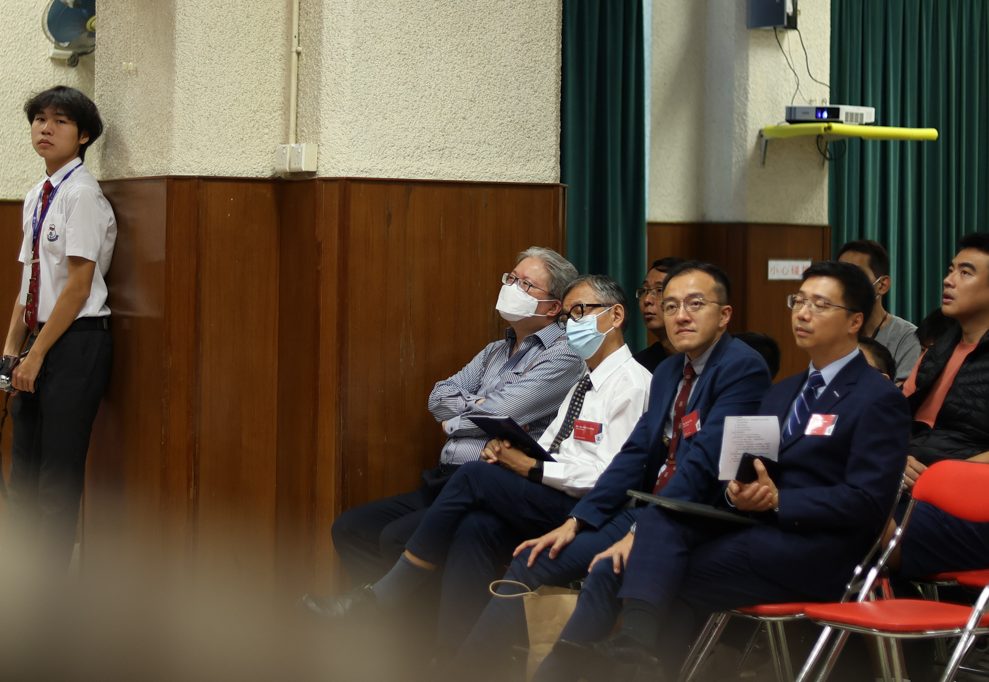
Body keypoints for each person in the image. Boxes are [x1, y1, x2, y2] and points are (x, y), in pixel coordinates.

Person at [534, 260, 910, 682]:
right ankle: (629, 657)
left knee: (657, 568)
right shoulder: (783, 392)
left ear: (855, 321)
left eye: (820, 305)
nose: (803, 314)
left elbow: (869, 502)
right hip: (758, 531)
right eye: (799, 301)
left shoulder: (878, 398)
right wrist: (738, 493)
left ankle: (635, 654)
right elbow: (747, 469)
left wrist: (781, 500)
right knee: (646, 534)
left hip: (823, 552)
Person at [451, 262, 771, 680]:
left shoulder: (741, 367)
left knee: (600, 566)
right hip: (647, 508)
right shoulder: (670, 370)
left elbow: (704, 465)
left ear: (724, 314)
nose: (680, 316)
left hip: (697, 514)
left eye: (695, 304)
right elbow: (634, 454)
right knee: (535, 555)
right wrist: (576, 522)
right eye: (670, 306)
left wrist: (645, 531)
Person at [302, 275, 650, 641]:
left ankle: (384, 597)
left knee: (473, 476)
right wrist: (511, 453)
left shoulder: (633, 384)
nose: (571, 324)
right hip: (552, 493)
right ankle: (452, 656)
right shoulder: (584, 383)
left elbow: (610, 477)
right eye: (566, 317)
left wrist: (531, 467)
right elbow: (548, 446)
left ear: (615, 316)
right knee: (475, 526)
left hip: (589, 512)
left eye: (580, 311)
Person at [330, 248, 583, 585]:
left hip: (489, 485)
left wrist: (455, 422)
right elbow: (439, 396)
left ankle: (402, 614)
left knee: (395, 537)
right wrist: (481, 406)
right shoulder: (495, 350)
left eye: (526, 284)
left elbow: (501, 412)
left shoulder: (564, 353)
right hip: (442, 479)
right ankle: (384, 614)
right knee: (350, 528)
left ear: (553, 307)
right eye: (511, 278)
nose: (512, 287)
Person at [0, 86, 116, 563]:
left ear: (83, 135)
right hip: (40, 338)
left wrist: (39, 354)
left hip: (76, 342)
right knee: (24, 468)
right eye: (39, 119)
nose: (45, 128)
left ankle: (48, 587)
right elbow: (30, 280)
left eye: (60, 121)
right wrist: (12, 352)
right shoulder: (37, 194)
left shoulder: (82, 194)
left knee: (57, 477)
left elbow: (78, 286)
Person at [891, 233, 989, 582]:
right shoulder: (938, 350)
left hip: (970, 506)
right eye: (950, 270)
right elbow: (898, 421)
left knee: (855, 523)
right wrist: (895, 459)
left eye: (966, 272)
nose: (949, 280)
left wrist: (940, 477)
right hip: (907, 491)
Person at [838, 239, 920, 383]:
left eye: (856, 276)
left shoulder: (908, 337)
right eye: (840, 276)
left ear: (882, 285)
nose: (846, 284)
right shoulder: (834, 332)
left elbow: (901, 392)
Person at [632, 258, 686, 373]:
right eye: (645, 291)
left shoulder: (707, 358)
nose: (647, 300)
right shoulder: (639, 366)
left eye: (659, 290)